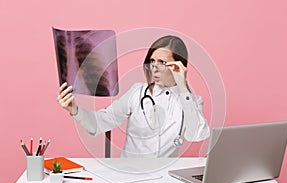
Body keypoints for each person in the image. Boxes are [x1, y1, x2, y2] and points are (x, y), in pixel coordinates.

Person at [57, 35, 210, 157]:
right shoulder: (137, 93)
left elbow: (196, 135)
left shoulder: (191, 101)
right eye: (152, 61)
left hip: (165, 179)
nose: (154, 68)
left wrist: (182, 86)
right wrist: (74, 109)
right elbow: (100, 123)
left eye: (162, 62)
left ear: (178, 66)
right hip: (130, 175)